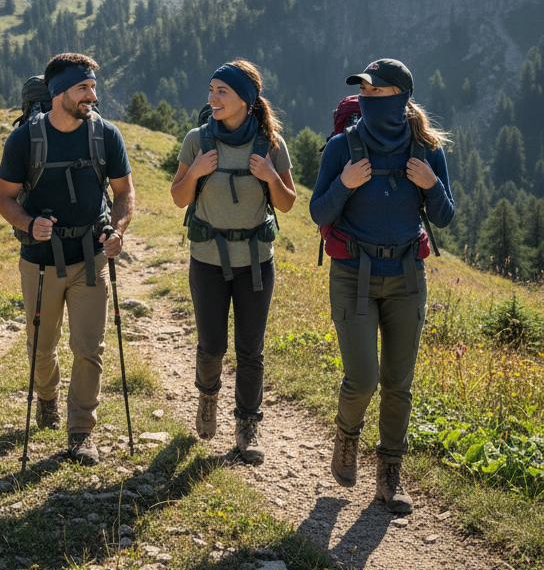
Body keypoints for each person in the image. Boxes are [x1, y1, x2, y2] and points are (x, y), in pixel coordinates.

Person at [310, 58, 454, 513]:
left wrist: (431, 185)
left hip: (408, 276)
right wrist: (345, 185)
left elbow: (446, 215)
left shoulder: (427, 150)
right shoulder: (340, 147)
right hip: (353, 274)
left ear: (401, 97)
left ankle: (390, 474)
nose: (368, 99)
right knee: (363, 379)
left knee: (399, 382)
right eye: (364, 93)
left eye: (377, 92)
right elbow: (318, 213)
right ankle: (347, 437)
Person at [0, 53, 134, 465]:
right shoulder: (24, 141)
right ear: (58, 93)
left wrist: (118, 231)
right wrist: (28, 222)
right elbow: (3, 198)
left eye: (93, 86)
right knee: (41, 347)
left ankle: (80, 431)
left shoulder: (105, 135)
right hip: (40, 261)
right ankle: (47, 396)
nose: (93, 94)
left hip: (91, 256)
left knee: (89, 348)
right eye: (83, 87)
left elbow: (124, 192)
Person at [170, 60, 296, 463]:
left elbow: (288, 203)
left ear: (246, 98)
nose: (213, 98)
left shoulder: (270, 143)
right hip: (207, 258)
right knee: (211, 345)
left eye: (222, 91)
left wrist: (270, 178)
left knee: (250, 349)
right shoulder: (197, 140)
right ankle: (208, 399)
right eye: (211, 90)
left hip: (257, 261)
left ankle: (247, 424)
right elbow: (178, 197)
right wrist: (196, 173)